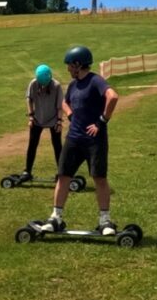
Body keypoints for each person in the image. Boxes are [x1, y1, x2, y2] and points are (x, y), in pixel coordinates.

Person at [41, 46, 119, 235]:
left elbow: (113, 97)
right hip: (74, 138)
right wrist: (70, 115)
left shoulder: (95, 81)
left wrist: (101, 121)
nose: (68, 69)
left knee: (99, 178)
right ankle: (56, 218)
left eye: (69, 65)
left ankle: (105, 221)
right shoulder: (74, 85)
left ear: (78, 64)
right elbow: (65, 102)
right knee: (63, 176)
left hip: (94, 139)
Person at [16, 64, 63, 183]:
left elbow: (60, 106)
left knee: (57, 146)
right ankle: (27, 171)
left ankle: (62, 172)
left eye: (45, 84)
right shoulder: (33, 83)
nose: (43, 86)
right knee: (32, 144)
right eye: (41, 83)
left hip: (53, 119)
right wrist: (31, 117)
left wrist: (59, 121)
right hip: (37, 119)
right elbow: (29, 99)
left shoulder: (56, 86)